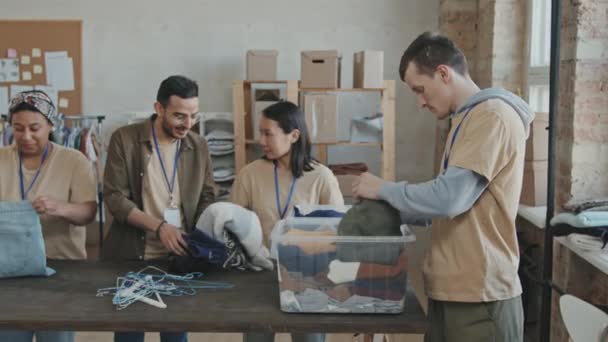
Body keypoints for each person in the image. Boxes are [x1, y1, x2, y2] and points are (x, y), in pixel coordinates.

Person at [352, 32, 534, 342]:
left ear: (443, 73)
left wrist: (383, 189)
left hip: (479, 298)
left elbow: (449, 200)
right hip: (452, 291)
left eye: (420, 90)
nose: (420, 102)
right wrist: (384, 209)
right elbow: (444, 207)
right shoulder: (465, 120)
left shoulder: (492, 116)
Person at [102, 75, 216, 342]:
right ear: (159, 109)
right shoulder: (125, 140)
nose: (187, 125)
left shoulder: (198, 146)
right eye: (179, 116)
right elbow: (115, 198)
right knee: (129, 334)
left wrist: (201, 236)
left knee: (176, 334)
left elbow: (207, 196)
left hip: (179, 258)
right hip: (132, 254)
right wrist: (160, 227)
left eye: (193, 116)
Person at [231, 101, 343, 342]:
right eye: (260, 132)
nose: (261, 141)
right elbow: (234, 226)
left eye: (268, 133)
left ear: (293, 135)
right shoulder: (249, 174)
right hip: (260, 275)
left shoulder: (321, 177)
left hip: (309, 276)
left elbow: (337, 232)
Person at [0, 90, 97, 342]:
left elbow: (88, 213)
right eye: (18, 128)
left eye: (35, 128)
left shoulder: (74, 161)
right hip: (9, 270)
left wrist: (60, 208)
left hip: (62, 268)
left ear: (52, 125)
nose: (26, 136)